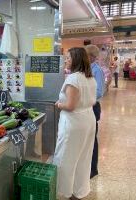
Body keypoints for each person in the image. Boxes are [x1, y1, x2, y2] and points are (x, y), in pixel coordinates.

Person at [53, 47, 97, 200]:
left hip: (74, 122)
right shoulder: (90, 78)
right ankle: (79, 190)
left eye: (68, 58)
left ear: (76, 60)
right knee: (83, 156)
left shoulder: (73, 78)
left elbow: (70, 106)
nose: (66, 60)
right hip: (88, 119)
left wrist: (59, 104)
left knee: (65, 156)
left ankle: (63, 192)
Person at [85, 45, 105, 179]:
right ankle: (86, 167)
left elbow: (98, 92)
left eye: (85, 55)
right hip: (86, 107)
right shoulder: (87, 70)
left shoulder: (97, 70)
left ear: (91, 56)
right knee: (86, 139)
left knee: (92, 139)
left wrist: (82, 96)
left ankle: (93, 169)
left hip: (92, 107)